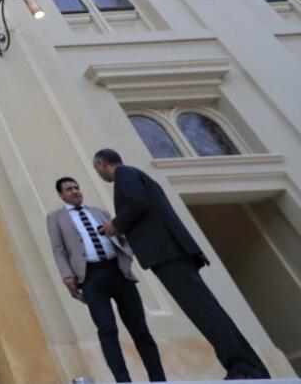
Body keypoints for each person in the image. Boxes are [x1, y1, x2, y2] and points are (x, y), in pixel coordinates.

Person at [93, 148, 269, 380]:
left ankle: (242, 368)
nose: (99, 174)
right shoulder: (137, 175)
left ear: (102, 163)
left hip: (166, 253)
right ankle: (250, 367)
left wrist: (115, 225)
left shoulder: (124, 175)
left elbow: (137, 203)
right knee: (209, 310)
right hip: (171, 250)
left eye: (98, 169)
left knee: (204, 312)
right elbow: (147, 212)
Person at [46, 176, 164, 382]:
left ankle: (158, 378)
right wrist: (67, 275)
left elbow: (119, 236)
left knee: (140, 328)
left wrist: (128, 253)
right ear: (61, 195)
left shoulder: (100, 212)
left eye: (76, 187)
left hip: (118, 272)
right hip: (91, 277)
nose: (75, 191)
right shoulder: (55, 218)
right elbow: (58, 250)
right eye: (69, 189)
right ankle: (122, 380)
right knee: (107, 329)